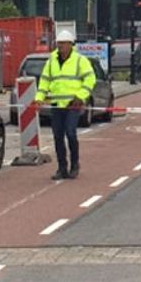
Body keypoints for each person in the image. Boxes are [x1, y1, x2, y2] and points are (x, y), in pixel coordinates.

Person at [35, 29, 96, 180]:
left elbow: (90, 79)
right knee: (57, 136)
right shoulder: (51, 61)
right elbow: (45, 81)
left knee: (70, 133)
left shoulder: (80, 60)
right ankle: (62, 168)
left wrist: (80, 97)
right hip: (56, 104)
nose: (60, 46)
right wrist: (39, 97)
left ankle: (74, 165)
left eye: (63, 44)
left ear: (70, 44)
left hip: (72, 105)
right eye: (58, 43)